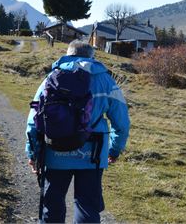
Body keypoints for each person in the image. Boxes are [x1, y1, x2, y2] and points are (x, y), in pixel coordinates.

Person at [26, 39, 130, 223]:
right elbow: (121, 121)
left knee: (52, 204)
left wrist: (33, 152)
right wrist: (115, 149)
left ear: (68, 54)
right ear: (92, 56)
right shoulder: (106, 80)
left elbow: (34, 118)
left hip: (55, 151)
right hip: (93, 154)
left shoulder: (52, 77)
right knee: (87, 205)